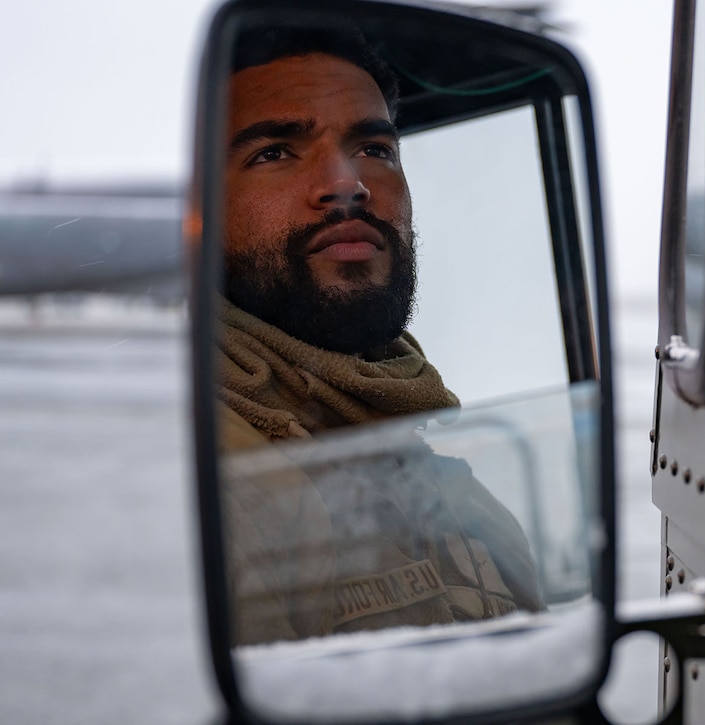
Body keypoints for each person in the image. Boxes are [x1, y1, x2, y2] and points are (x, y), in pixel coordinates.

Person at [214, 25, 544, 646]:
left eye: (374, 148)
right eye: (275, 152)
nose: (347, 183)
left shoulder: (453, 488)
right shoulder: (216, 487)